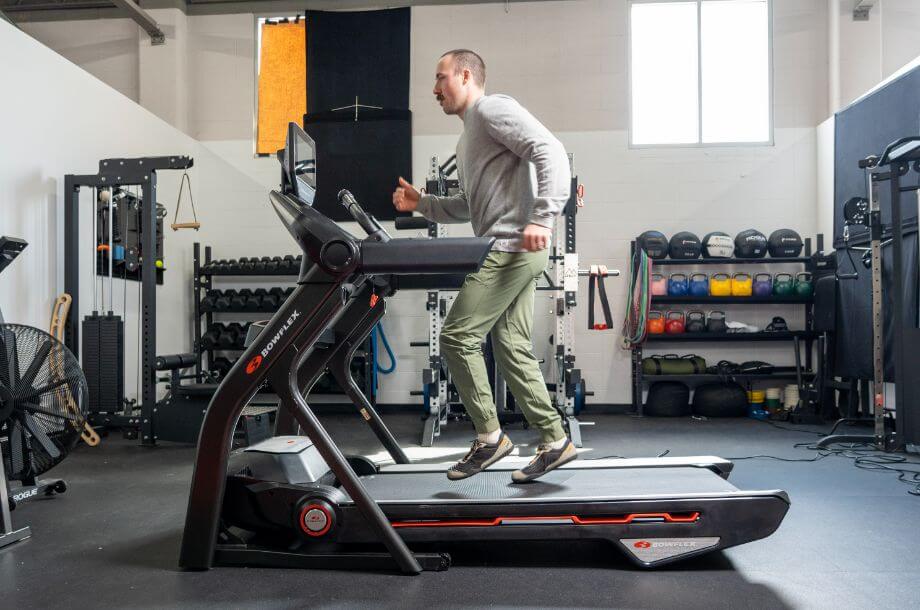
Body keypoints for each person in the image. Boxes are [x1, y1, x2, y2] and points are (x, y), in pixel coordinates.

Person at [392, 49, 575, 483]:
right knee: (510, 345)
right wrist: (424, 204)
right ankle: (554, 440)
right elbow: (468, 207)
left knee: (456, 336)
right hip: (510, 244)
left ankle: (491, 439)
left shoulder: (492, 110)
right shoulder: (468, 135)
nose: (435, 89)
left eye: (440, 78)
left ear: (466, 75)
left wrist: (542, 217)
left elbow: (551, 151)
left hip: (512, 246)